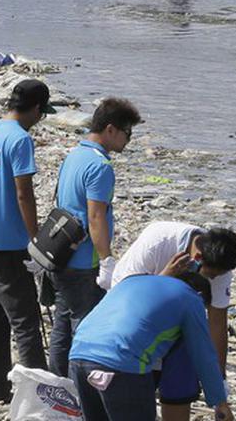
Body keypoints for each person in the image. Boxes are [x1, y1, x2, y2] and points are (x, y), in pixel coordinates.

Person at [0, 78, 54, 405]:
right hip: (6, 244)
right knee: (26, 321)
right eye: (41, 113)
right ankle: (40, 399)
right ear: (35, 109)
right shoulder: (19, 139)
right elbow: (23, 192)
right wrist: (35, 239)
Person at [47, 98, 142, 377]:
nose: (129, 140)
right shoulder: (100, 166)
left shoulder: (75, 155)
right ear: (111, 130)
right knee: (85, 328)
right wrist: (106, 260)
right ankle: (81, 393)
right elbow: (95, 217)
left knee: (62, 325)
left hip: (60, 253)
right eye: (128, 132)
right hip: (81, 261)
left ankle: (57, 385)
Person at [110, 223, 236, 421]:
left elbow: (217, 324)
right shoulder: (158, 242)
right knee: (142, 387)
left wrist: (220, 390)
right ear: (198, 258)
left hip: (176, 324)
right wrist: (164, 277)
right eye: (210, 275)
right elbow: (126, 296)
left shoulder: (219, 264)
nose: (214, 279)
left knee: (180, 378)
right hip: (135, 319)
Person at [71, 274, 233, 421]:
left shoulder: (133, 281)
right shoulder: (191, 298)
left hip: (78, 354)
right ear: (200, 296)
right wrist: (220, 402)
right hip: (122, 363)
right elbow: (204, 356)